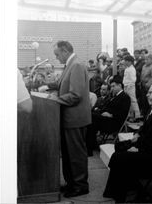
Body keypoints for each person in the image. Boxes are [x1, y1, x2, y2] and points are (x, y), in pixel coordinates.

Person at [103, 90, 152, 203]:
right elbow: (147, 134)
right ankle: (129, 191)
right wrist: (136, 143)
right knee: (120, 149)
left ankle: (130, 193)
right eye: (150, 100)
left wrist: (139, 148)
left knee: (120, 158)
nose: (150, 103)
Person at [39, 40, 91, 198]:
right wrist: (49, 86)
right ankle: (71, 183)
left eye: (57, 55)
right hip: (70, 118)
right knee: (68, 154)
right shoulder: (71, 65)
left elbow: (75, 95)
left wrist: (52, 99)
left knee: (75, 154)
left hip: (75, 119)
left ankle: (81, 185)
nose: (56, 58)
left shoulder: (76, 65)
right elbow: (64, 84)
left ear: (64, 51)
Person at [87, 75, 131, 152]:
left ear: (120, 85)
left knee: (91, 117)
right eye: (111, 87)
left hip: (113, 122)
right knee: (91, 115)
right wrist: (101, 111)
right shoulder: (115, 96)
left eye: (113, 86)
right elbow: (106, 107)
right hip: (107, 119)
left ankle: (90, 145)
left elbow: (123, 113)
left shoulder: (125, 97)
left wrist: (111, 114)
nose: (112, 88)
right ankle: (90, 143)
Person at [123, 55, 141, 119]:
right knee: (128, 101)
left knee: (133, 101)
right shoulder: (127, 68)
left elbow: (133, 79)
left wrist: (129, 86)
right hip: (126, 86)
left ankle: (137, 115)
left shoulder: (132, 69)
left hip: (130, 87)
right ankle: (131, 115)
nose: (124, 62)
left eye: (126, 61)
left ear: (130, 62)